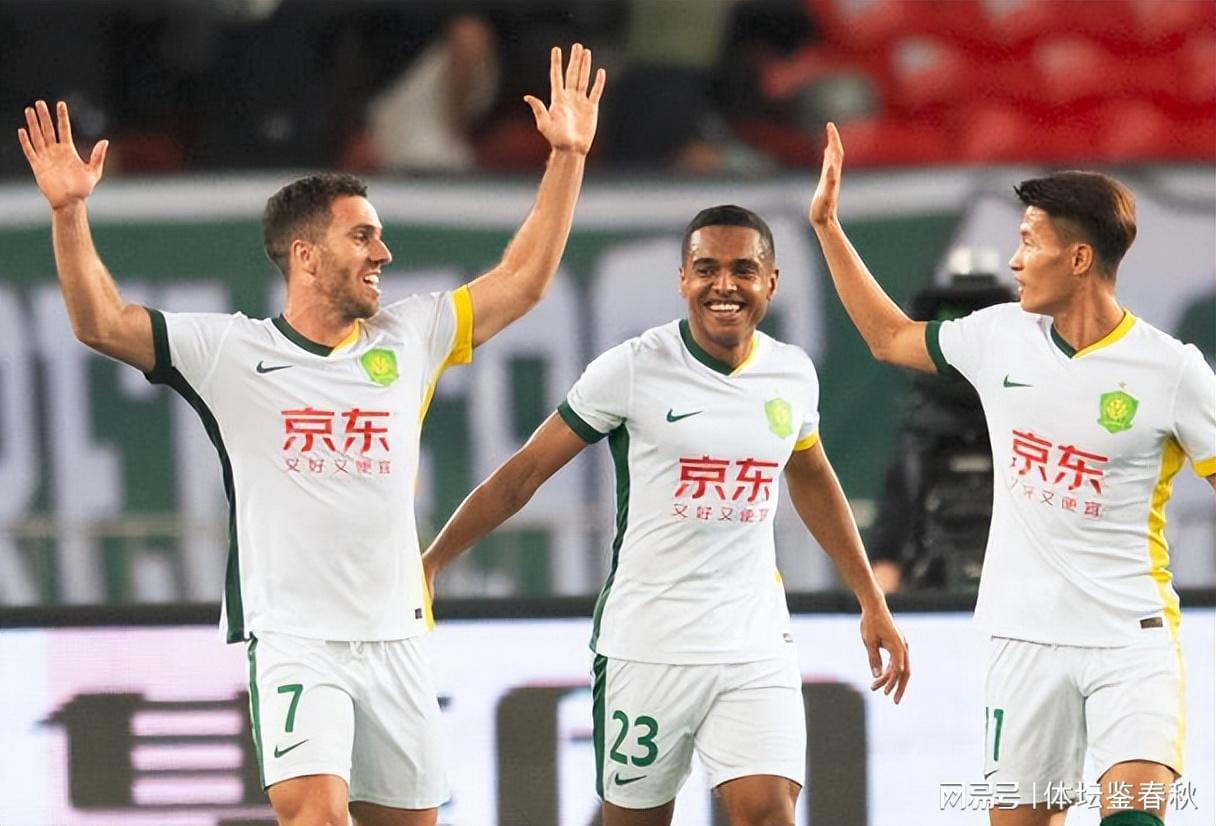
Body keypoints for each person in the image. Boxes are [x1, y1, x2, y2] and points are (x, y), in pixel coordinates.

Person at [18, 43, 605, 826]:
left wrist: (567, 157)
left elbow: (524, 280)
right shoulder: (230, 352)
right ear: (306, 255)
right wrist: (68, 213)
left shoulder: (411, 337)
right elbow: (101, 322)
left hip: (396, 637)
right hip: (296, 639)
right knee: (317, 816)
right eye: (362, 237)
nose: (383, 253)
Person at [422, 204, 910, 826]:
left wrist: (871, 598)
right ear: (683, 279)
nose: (724, 285)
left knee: (768, 812)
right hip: (647, 647)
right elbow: (523, 475)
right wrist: (431, 562)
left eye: (743, 270)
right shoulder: (632, 368)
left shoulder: (791, 373)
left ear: (771, 282)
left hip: (753, 642)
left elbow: (812, 478)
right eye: (706, 269)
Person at [809, 123, 1216, 826]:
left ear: (1079, 257)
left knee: (1136, 814)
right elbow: (888, 337)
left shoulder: (1172, 370)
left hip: (1131, 635)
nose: (1015, 260)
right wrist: (828, 228)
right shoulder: (997, 336)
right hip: (1022, 639)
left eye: (1030, 241)